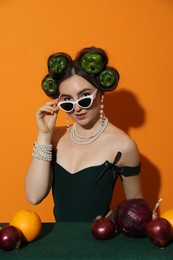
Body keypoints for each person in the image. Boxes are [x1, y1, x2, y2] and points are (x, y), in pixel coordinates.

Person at [25, 46, 143, 222]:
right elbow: (34, 196)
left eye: (85, 97)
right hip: (60, 243)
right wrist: (44, 135)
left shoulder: (123, 146)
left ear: (100, 93)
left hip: (101, 242)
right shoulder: (54, 138)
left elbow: (136, 208)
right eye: (67, 101)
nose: (77, 107)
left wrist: (112, 221)